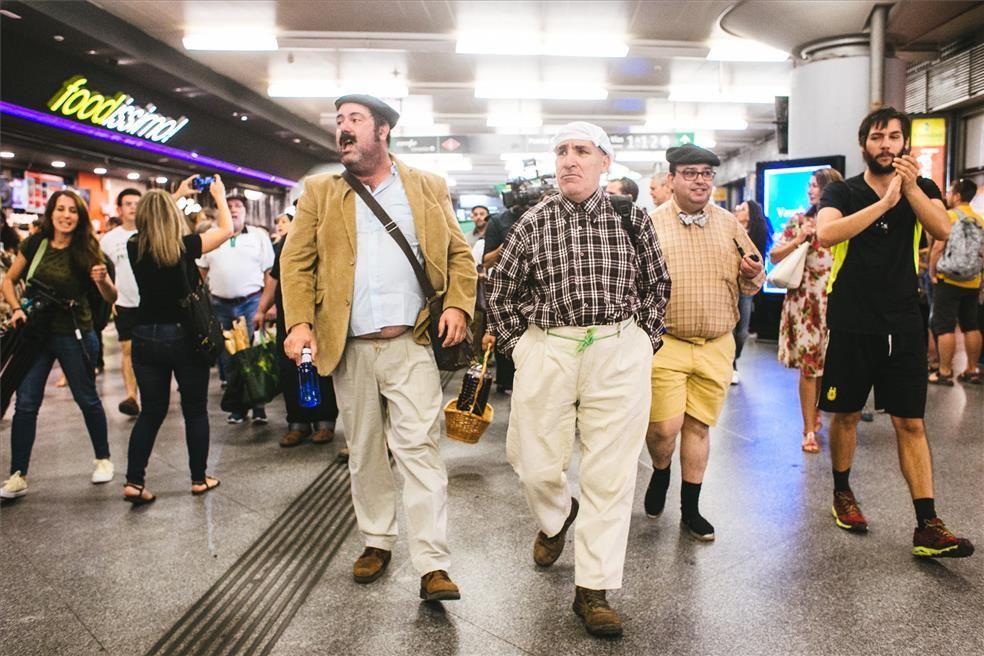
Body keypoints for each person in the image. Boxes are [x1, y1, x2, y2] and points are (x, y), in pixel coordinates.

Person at [281, 93, 476, 602]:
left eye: (355, 120)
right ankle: (376, 539)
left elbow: (459, 253)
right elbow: (296, 263)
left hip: (410, 343)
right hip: (349, 346)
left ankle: (433, 563)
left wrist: (457, 305)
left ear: (383, 130)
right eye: (339, 121)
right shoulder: (319, 191)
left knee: (419, 450)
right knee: (365, 449)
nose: (343, 129)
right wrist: (300, 322)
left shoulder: (426, 187)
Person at [486, 122, 671, 639]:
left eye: (582, 151)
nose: (569, 160)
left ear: (604, 163)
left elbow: (657, 284)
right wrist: (520, 347)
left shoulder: (632, 218)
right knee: (534, 463)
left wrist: (642, 341)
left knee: (611, 473)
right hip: (550, 348)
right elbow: (500, 290)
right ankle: (555, 516)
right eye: (562, 151)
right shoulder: (534, 221)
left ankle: (594, 589)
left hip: (617, 348)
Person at [816, 106, 973, 558]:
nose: (886, 144)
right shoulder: (843, 191)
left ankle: (927, 523)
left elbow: (942, 227)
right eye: (878, 137)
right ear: (864, 143)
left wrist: (906, 191)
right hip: (851, 318)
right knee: (845, 414)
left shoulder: (921, 187)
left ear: (905, 144)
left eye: (894, 137)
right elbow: (827, 235)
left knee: (910, 421)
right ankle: (842, 492)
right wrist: (883, 204)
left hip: (904, 319)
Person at [644, 143, 765, 542]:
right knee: (664, 427)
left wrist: (752, 271)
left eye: (706, 174)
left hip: (716, 343)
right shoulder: (652, 225)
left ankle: (691, 508)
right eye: (691, 173)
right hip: (668, 342)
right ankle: (661, 470)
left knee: (698, 426)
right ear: (671, 179)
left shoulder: (730, 224)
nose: (700, 180)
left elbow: (753, 282)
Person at [0, 190, 118, 499]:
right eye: (60, 209)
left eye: (72, 211)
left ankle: (103, 458)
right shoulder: (35, 244)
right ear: (51, 213)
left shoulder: (88, 250)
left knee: (86, 398)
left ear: (79, 217)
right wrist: (15, 308)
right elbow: (8, 280)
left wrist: (102, 280)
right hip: (35, 335)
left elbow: (110, 297)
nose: (66, 215)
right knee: (26, 403)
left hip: (74, 332)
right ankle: (18, 474)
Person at [121, 181, 234, 503]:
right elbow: (225, 229)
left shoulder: (134, 246)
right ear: (172, 215)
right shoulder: (186, 245)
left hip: (145, 335)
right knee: (195, 411)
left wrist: (173, 196)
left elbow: (152, 216)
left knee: (151, 412)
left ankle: (134, 481)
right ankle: (199, 478)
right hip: (184, 337)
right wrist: (219, 197)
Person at [769, 168, 843, 452]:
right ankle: (808, 428)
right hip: (806, 303)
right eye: (810, 186)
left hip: (835, 301)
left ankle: (817, 412)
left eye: (816, 185)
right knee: (809, 368)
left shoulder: (843, 221)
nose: (811, 190)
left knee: (829, 364)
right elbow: (774, 256)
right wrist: (800, 238)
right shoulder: (800, 221)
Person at [254, 208, 340, 448]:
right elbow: (275, 277)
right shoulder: (285, 243)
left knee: (321, 366)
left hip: (322, 314)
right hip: (290, 316)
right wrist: (262, 308)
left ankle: (325, 421)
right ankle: (297, 423)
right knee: (290, 367)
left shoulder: (328, 235)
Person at [196, 192, 274, 424]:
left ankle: (258, 405)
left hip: (251, 302)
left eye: (238, 205)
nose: (233, 209)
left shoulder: (258, 236)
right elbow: (200, 272)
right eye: (228, 205)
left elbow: (270, 274)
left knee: (252, 355)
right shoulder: (211, 236)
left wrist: (265, 306)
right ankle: (237, 407)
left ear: (245, 211)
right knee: (229, 358)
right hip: (220, 304)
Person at [928, 178, 982, 385]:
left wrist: (932, 273)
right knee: (971, 325)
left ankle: (944, 371)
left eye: (950, 192)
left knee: (945, 326)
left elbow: (938, 248)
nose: (948, 195)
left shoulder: (948, 216)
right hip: (972, 279)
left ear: (958, 195)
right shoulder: (979, 220)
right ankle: (971, 369)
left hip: (948, 278)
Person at [100, 188, 143, 416]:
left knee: (149, 352)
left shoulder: (150, 233)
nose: (133, 207)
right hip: (124, 303)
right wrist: (110, 298)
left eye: (137, 203)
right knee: (128, 349)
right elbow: (102, 271)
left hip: (149, 303)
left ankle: (151, 393)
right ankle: (131, 396)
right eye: (128, 203)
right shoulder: (109, 240)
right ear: (119, 209)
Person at [732, 198, 773, 384]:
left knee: (742, 329)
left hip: (745, 286)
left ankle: (735, 357)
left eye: (742, 208)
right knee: (729, 327)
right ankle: (729, 364)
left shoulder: (757, 233)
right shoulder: (728, 228)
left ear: (750, 214)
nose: (737, 210)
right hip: (728, 284)